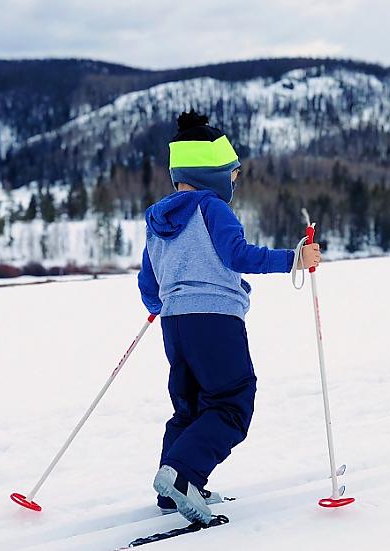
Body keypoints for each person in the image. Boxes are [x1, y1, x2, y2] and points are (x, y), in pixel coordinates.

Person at [137, 110, 320, 523]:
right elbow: (238, 255)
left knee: (190, 406)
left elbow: (149, 281)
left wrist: (157, 306)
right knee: (232, 401)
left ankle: (176, 488)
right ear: (213, 172)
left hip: (175, 324)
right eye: (232, 174)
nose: (234, 182)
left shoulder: (157, 219)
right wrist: (294, 259)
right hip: (215, 320)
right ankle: (183, 475)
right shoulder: (212, 208)